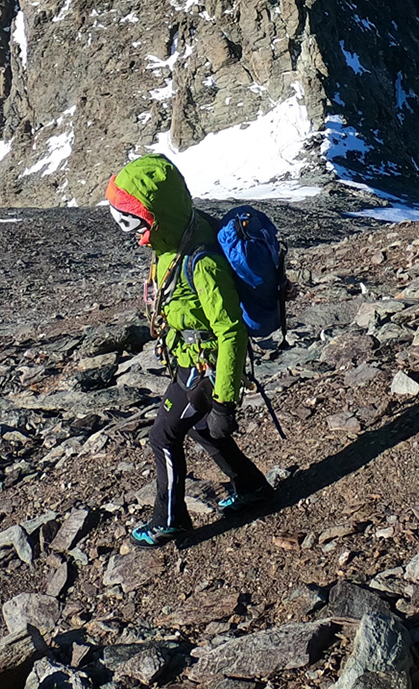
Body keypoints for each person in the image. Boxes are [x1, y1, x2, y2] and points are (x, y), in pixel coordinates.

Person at [105, 154, 272, 545]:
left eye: (131, 220)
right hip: (188, 362)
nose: (128, 232)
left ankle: (169, 519)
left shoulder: (201, 262)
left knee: (162, 437)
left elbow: (231, 332)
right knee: (199, 429)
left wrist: (224, 404)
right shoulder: (172, 243)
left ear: (155, 214)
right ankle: (251, 487)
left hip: (204, 371)